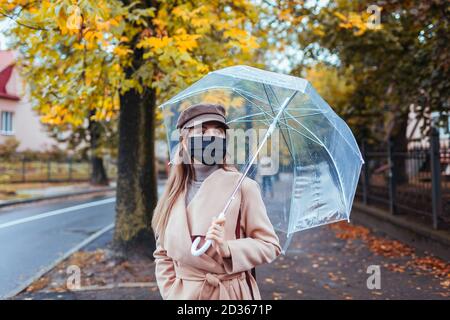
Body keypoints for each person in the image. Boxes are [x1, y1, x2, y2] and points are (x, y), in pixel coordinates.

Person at [152, 103, 281, 300]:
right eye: (202, 130)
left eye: (218, 131)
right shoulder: (173, 194)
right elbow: (162, 254)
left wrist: (228, 249)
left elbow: (269, 245)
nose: (211, 137)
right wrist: (171, 291)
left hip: (229, 294)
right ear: (184, 141)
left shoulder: (243, 187)